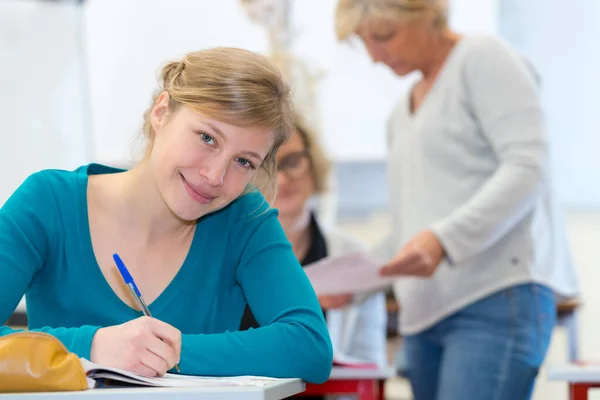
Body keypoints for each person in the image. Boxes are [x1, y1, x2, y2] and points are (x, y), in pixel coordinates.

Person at [0, 47, 333, 383]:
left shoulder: (244, 219)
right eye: (207, 138)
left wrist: (167, 350)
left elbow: (310, 346)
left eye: (244, 161)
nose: (215, 176)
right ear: (161, 112)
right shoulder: (47, 203)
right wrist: (94, 346)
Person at [334, 1, 580, 399]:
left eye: (383, 37)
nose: (375, 56)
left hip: (495, 300)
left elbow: (527, 166)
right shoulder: (399, 115)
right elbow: (412, 229)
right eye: (364, 43)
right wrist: (357, 283)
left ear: (426, 14)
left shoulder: (482, 58)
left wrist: (443, 240)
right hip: (424, 316)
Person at [239, 116, 388, 372]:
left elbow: (370, 365)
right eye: (267, 166)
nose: (283, 179)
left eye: (293, 162)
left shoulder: (352, 258)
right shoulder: (223, 255)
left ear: (314, 164)